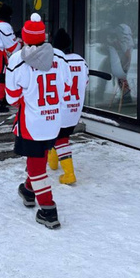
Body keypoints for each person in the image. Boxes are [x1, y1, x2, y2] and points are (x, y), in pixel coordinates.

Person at [6, 13, 72, 230]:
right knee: (39, 157)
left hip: (31, 123)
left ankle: (48, 210)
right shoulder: (60, 57)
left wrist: (28, 95)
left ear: (23, 38)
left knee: (36, 167)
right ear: (44, 36)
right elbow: (68, 87)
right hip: (53, 121)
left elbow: (12, 98)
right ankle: (28, 189)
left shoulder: (17, 60)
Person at [47, 28, 88, 185]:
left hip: (60, 108)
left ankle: (69, 173)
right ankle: (53, 161)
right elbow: (85, 82)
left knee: (60, 139)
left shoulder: (57, 62)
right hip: (75, 108)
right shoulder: (81, 60)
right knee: (59, 136)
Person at [107, 23, 135, 105]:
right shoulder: (127, 38)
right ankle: (126, 95)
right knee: (121, 78)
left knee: (121, 78)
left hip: (123, 61)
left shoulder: (124, 39)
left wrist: (127, 62)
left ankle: (126, 96)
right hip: (122, 60)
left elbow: (127, 52)